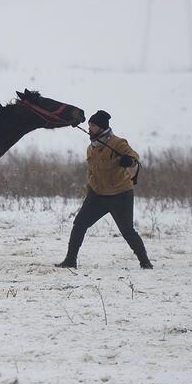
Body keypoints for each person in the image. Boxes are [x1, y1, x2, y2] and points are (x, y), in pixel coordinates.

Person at [56, 110, 153, 269]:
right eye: (89, 125)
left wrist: (129, 161)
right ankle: (70, 261)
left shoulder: (118, 143)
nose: (89, 127)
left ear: (101, 127)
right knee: (79, 224)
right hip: (97, 195)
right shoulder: (90, 148)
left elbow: (135, 157)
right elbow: (91, 172)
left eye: (92, 125)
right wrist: (89, 191)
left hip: (120, 195)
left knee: (127, 230)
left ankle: (145, 262)